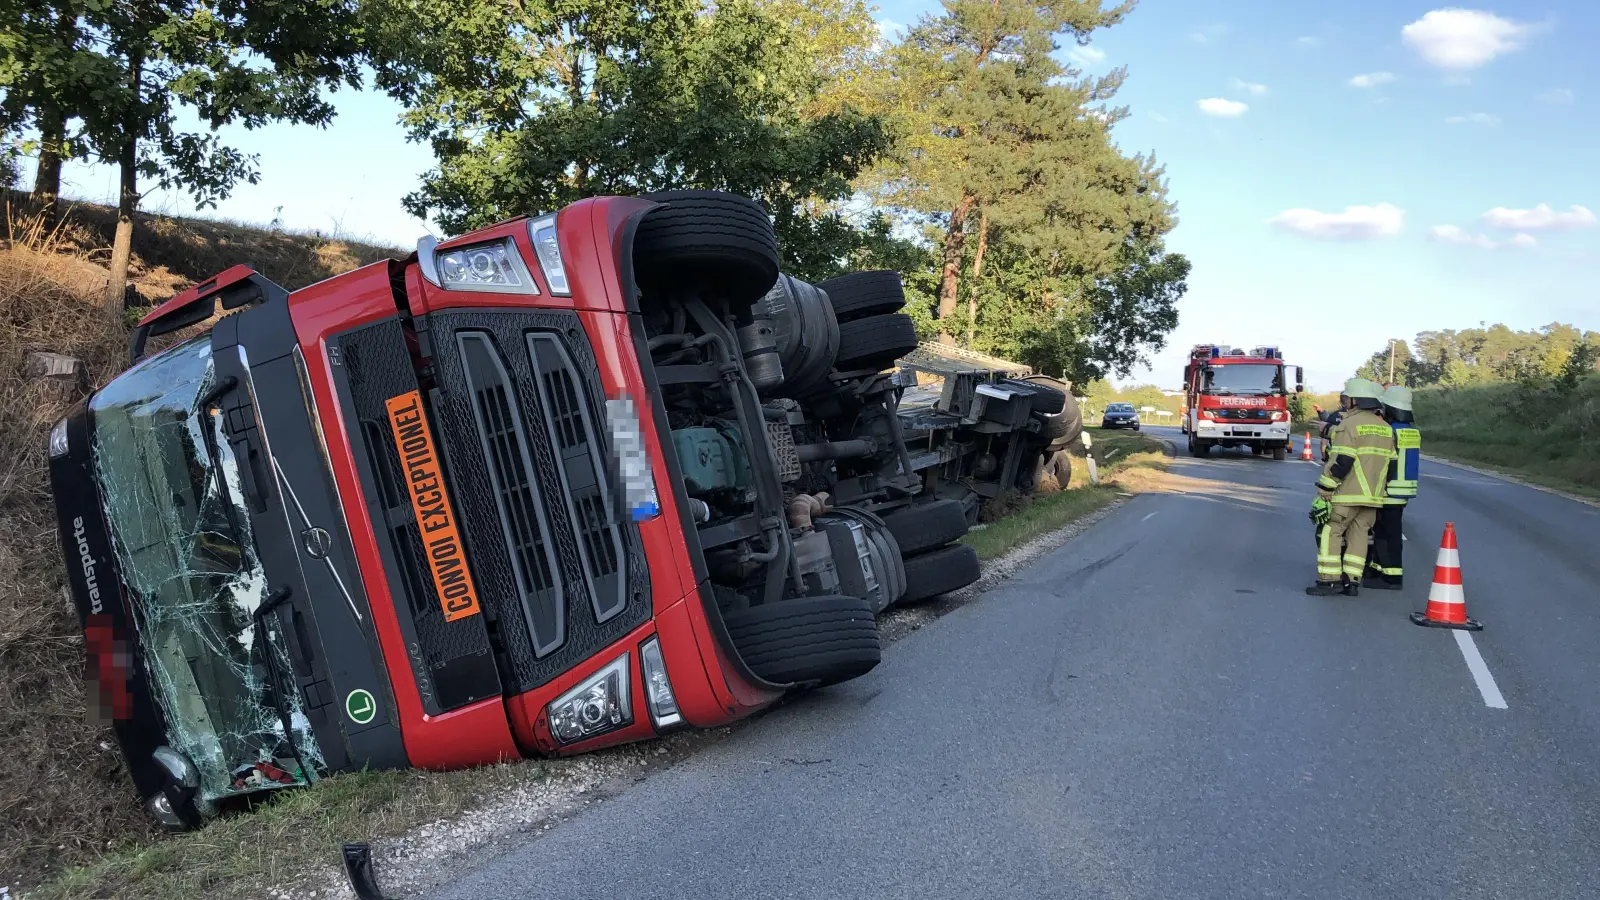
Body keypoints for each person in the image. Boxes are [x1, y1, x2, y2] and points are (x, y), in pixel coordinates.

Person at [1307, 378, 1396, 597]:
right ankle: (1352, 582)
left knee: (1331, 532)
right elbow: (1392, 464)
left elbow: (1343, 461)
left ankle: (1328, 581)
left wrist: (1326, 488)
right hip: (1373, 497)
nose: (1345, 401)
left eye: (1348, 397)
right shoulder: (1386, 428)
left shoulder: (1349, 424)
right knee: (1359, 537)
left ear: (1356, 400)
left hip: (1347, 494)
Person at [1365, 385, 1419, 590]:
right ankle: (1378, 569)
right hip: (1403, 490)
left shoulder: (1389, 432)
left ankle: (1392, 576)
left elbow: (1386, 461)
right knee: (1386, 532)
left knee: (1387, 534)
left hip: (1389, 490)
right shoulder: (1410, 431)